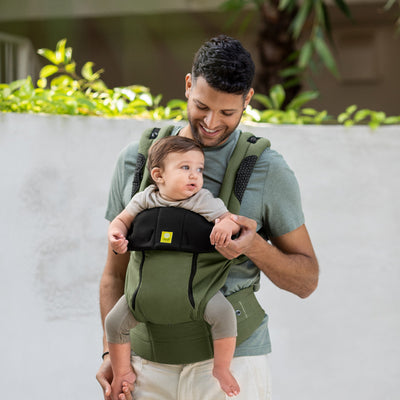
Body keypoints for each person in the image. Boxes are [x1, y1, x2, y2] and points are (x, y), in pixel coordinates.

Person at [96, 34, 319, 400]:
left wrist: (254, 247)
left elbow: (306, 281)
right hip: (144, 367)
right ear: (188, 85)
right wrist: (110, 354)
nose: (211, 122)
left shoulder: (266, 169)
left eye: (227, 113)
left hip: (233, 365)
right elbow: (114, 274)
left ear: (247, 99)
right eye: (201, 106)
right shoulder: (137, 161)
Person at [105, 135, 241, 399]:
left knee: (225, 315)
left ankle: (222, 368)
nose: (194, 175)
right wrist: (116, 235)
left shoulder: (202, 201)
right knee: (114, 323)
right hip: (143, 295)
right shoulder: (145, 199)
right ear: (158, 175)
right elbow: (121, 220)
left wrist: (226, 225)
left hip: (196, 294)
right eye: (185, 167)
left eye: (199, 169)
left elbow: (230, 219)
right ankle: (122, 371)